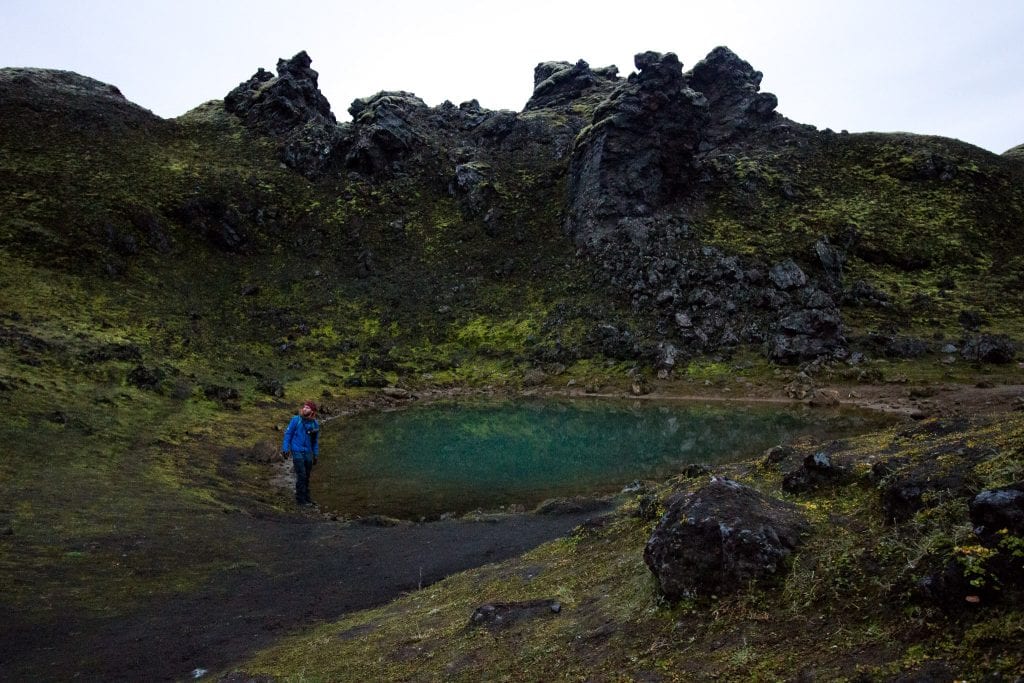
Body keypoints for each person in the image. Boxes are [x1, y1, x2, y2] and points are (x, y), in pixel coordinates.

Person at [281, 400, 320, 506]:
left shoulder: (315, 424)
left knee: (307, 475)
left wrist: (315, 454)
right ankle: (300, 499)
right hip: (296, 450)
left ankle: (307, 497)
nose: (305, 409)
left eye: (308, 407)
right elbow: (288, 434)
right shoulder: (296, 420)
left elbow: (315, 441)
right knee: (301, 475)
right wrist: (285, 448)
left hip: (308, 452)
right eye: (304, 407)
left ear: (312, 411)